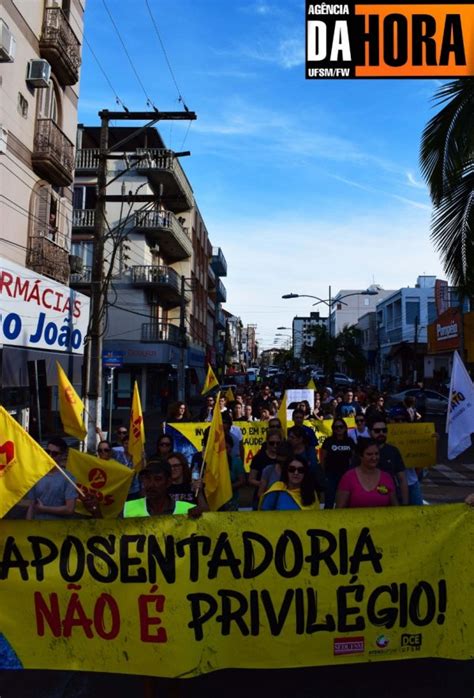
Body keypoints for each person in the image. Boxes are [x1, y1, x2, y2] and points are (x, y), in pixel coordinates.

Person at [24, 438, 78, 520]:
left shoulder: (68, 478)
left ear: (62, 456)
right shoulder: (37, 475)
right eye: (47, 452)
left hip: (57, 528)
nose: (49, 456)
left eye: (54, 454)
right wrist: (28, 526)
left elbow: (69, 509)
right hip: (37, 526)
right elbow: (32, 505)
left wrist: (44, 509)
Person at [336, 439, 398, 508]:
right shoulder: (348, 477)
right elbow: (339, 509)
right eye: (369, 454)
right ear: (360, 456)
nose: (374, 458)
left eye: (376, 454)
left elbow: (395, 508)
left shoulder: (387, 478)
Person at [123, 460, 197, 517]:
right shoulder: (126, 509)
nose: (151, 484)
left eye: (157, 479)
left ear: (168, 482)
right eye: (147, 478)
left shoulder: (188, 510)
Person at [369, 419, 409, 505]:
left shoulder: (393, 451)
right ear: (370, 432)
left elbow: (402, 478)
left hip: (390, 498)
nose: (381, 433)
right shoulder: (361, 451)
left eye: (384, 430)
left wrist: (405, 503)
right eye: (377, 431)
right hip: (368, 498)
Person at [320, 419, 355, 509]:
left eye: (341, 427)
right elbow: (323, 458)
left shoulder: (350, 441)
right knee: (329, 500)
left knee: (346, 500)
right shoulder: (328, 441)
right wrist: (324, 474)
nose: (338, 429)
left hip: (346, 475)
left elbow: (354, 458)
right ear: (333, 429)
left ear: (345, 428)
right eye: (336, 427)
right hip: (331, 474)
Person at [248, 428, 283, 508]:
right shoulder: (259, 458)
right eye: (272, 443)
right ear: (267, 442)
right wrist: (264, 483)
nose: (275, 445)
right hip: (261, 496)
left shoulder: (285, 458)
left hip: (280, 498)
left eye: (278, 443)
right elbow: (251, 479)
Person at [219, 434, 246, 511]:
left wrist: (228, 488)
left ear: (231, 448)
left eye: (226, 448)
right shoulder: (213, 463)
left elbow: (242, 481)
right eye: (221, 448)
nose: (224, 450)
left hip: (231, 502)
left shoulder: (236, 462)